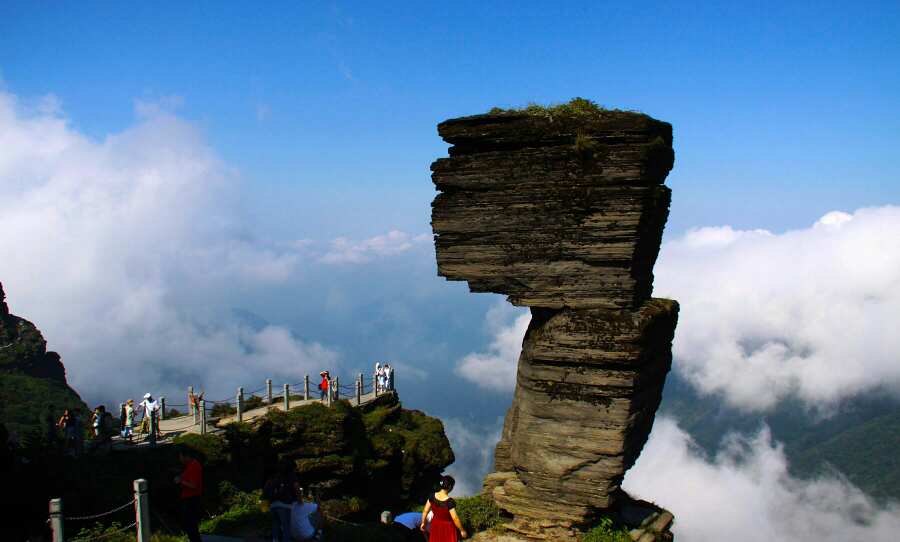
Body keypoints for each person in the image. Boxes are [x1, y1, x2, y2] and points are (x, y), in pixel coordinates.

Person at [420, 475, 467, 541]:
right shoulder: (449, 501)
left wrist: (423, 523)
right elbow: (455, 518)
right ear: (450, 487)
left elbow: (425, 511)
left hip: (435, 524)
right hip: (448, 527)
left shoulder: (432, 496)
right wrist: (462, 530)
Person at [263, 461, 298, 542]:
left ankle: (275, 540)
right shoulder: (290, 476)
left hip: (273, 504)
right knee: (286, 526)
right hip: (284, 504)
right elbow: (296, 487)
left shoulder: (273, 476)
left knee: (275, 524)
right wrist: (298, 498)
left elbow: (265, 489)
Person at [175, 449, 203, 542]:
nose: (180, 459)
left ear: (186, 456)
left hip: (191, 499)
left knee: (191, 526)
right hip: (188, 498)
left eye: (181, 457)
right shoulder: (190, 465)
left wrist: (181, 481)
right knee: (190, 526)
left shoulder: (194, 466)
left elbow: (194, 485)